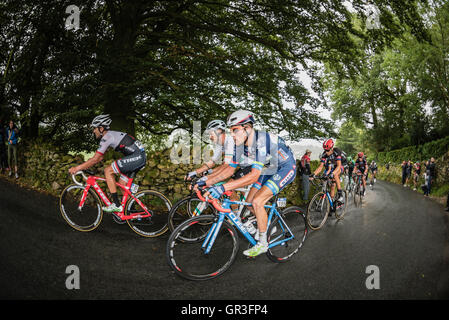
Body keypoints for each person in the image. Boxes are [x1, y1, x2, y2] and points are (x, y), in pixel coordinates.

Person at [197, 109, 297, 257]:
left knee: (257, 201)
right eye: (230, 131)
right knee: (249, 202)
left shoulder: (261, 140)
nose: (232, 134)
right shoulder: (239, 145)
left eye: (235, 130)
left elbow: (253, 176)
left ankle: (263, 243)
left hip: (286, 167)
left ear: (248, 128)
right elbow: (230, 170)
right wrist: (207, 181)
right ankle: (268, 225)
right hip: (270, 168)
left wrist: (223, 187)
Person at [68, 114, 146, 213]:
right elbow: (99, 157)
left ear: (101, 128)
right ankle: (133, 213)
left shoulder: (107, 137)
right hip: (138, 156)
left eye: (95, 128)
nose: (93, 131)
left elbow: (95, 159)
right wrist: (86, 165)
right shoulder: (111, 135)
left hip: (137, 157)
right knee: (123, 185)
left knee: (108, 170)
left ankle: (116, 205)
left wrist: (77, 168)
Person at [310, 138, 345, 204]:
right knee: (332, 185)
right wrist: (314, 174)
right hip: (332, 166)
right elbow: (320, 167)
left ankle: (340, 194)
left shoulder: (337, 151)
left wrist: (333, 173)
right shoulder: (324, 154)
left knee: (335, 174)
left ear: (332, 148)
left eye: (328, 150)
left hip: (341, 164)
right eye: (325, 150)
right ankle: (331, 203)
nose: (326, 152)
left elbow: (338, 165)